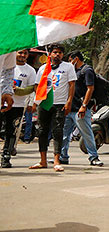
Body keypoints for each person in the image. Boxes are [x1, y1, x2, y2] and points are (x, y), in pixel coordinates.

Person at [30, 44, 76, 172]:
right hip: (44, 104)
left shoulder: (68, 67)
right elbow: (37, 86)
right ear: (49, 54)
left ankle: (57, 161)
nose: (58, 55)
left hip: (60, 104)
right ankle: (43, 160)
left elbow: (72, 85)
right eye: (55, 52)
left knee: (58, 131)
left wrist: (69, 102)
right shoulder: (43, 68)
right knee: (42, 131)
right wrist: (37, 101)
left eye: (60, 52)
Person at [60, 51, 103, 166]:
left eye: (70, 60)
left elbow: (90, 88)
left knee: (86, 133)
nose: (69, 63)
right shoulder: (73, 71)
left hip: (80, 109)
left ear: (76, 59)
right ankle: (62, 156)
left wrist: (84, 106)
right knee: (64, 134)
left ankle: (93, 157)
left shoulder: (87, 70)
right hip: (69, 108)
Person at [0, 49, 36, 167]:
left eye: (25, 53)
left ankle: (6, 157)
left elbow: (32, 88)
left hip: (18, 105)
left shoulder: (30, 70)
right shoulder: (5, 62)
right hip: (2, 103)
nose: (22, 55)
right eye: (20, 52)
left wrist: (21, 93)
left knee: (11, 131)